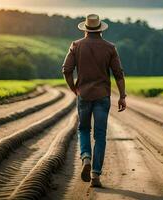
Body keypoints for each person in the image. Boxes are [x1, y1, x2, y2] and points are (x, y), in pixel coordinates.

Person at [62, 14, 126, 187]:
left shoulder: (76, 45)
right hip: (102, 96)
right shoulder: (110, 48)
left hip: (83, 95)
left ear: (85, 29)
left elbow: (66, 70)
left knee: (83, 129)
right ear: (100, 29)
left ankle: (86, 158)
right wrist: (122, 96)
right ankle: (95, 176)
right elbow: (118, 74)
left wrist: (73, 88)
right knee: (100, 136)